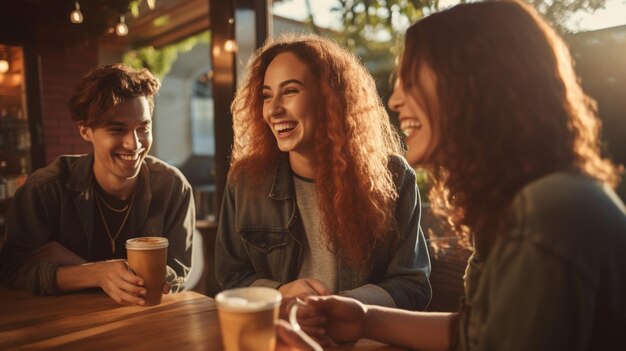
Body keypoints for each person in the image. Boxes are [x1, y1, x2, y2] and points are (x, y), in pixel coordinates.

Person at [277, 0, 626, 350]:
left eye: (410, 79)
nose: (395, 100)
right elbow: (478, 335)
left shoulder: (546, 217)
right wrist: (366, 319)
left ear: (472, 84)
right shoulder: (523, 203)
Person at [215, 34, 431, 310]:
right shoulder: (245, 180)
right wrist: (281, 292)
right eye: (267, 96)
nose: (273, 110)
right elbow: (229, 277)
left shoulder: (394, 177)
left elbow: (413, 285)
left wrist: (348, 306)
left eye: (290, 91)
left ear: (330, 99)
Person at [0, 64, 195, 306]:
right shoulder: (45, 189)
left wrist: (72, 264)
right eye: (117, 129)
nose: (134, 144)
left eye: (143, 128)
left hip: (141, 323)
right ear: (85, 131)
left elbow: (176, 276)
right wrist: (95, 273)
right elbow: (10, 271)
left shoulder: (173, 187)